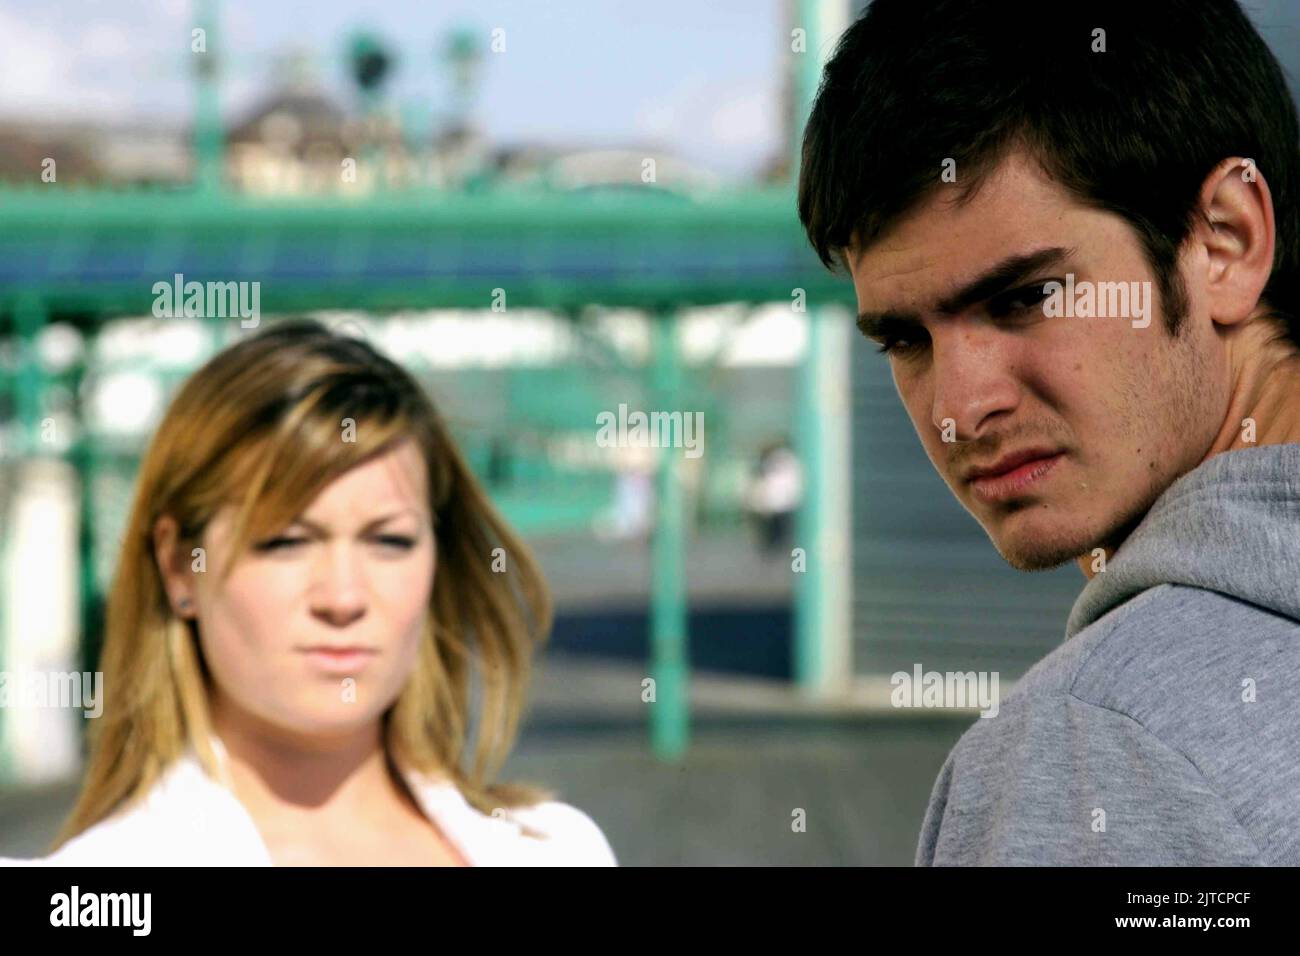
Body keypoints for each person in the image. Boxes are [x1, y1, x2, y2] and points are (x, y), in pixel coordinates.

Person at [799, 0, 1300, 864]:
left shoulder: (1098, 746)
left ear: (1225, 240)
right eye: (906, 340)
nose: (961, 407)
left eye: (1025, 296)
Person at [3, 319, 616, 866]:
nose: (344, 597)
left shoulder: (559, 851)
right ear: (178, 567)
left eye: (390, 541)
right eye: (286, 543)